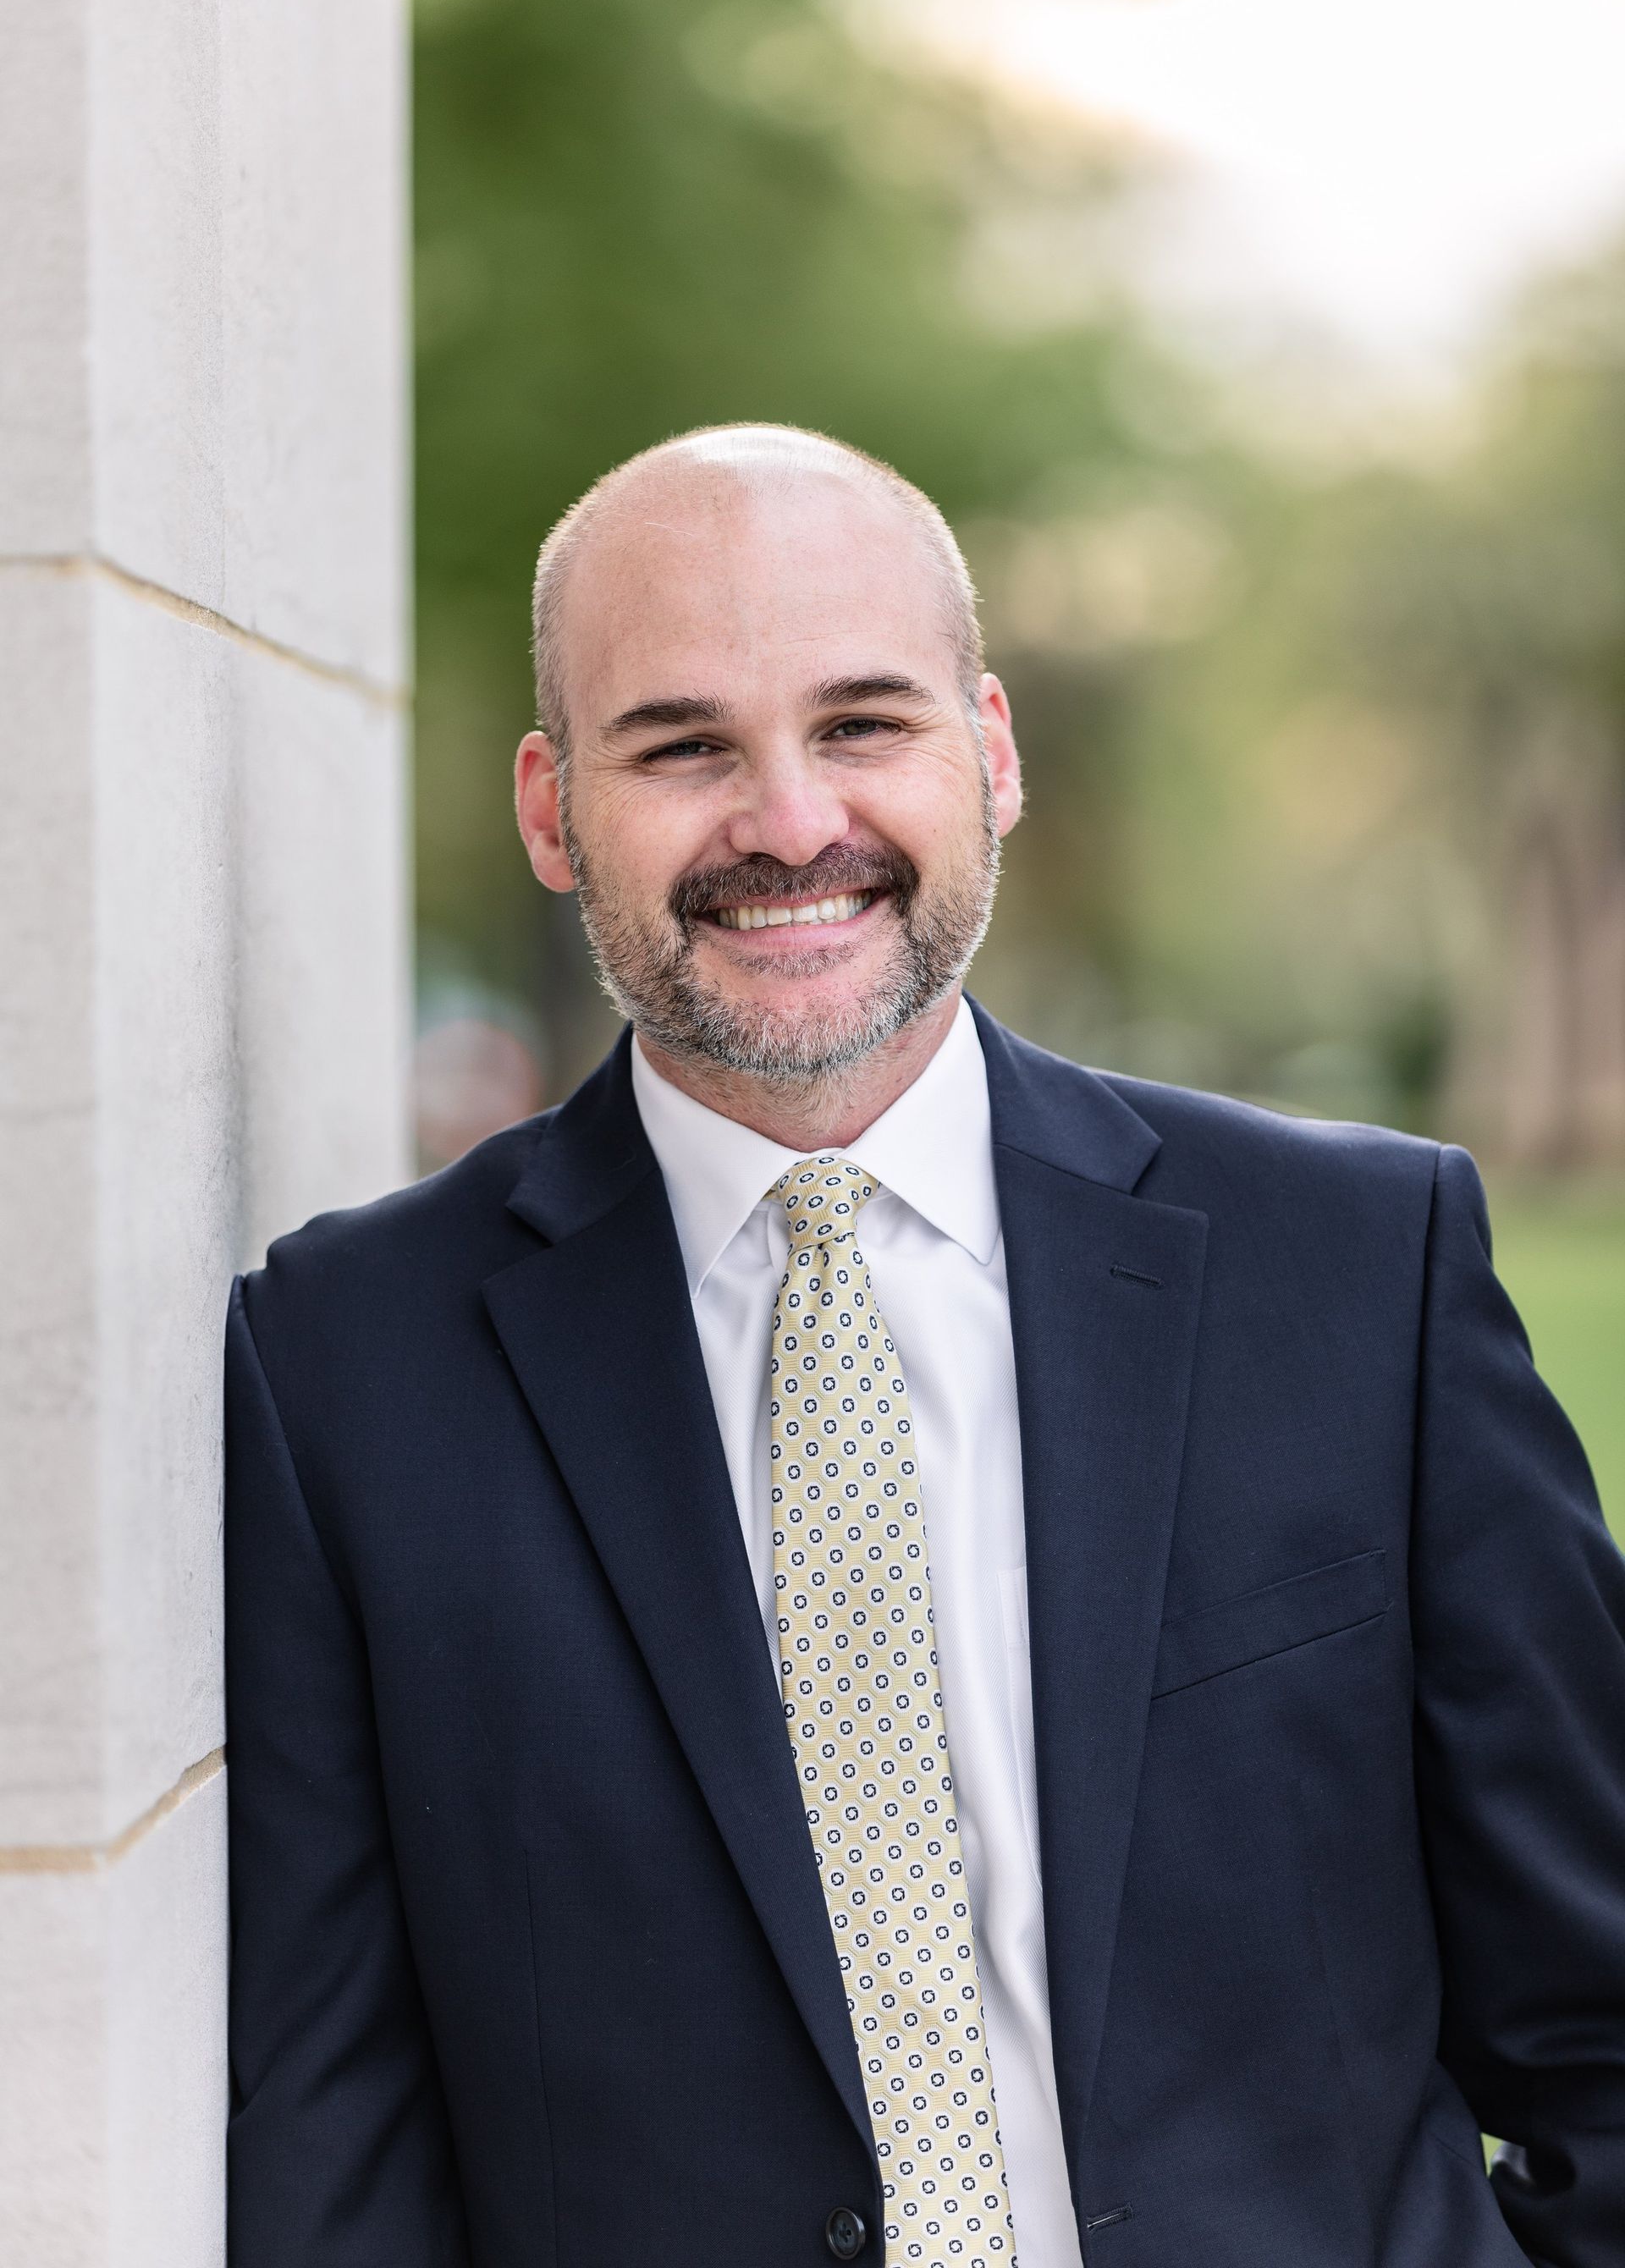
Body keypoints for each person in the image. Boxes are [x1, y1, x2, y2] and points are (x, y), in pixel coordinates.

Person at [224, 424, 1625, 2268]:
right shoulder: (343, 1370)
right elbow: (331, 2136)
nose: (792, 823)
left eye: (863, 723)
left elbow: (1600, 2010)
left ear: (992, 752)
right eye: (683, 746)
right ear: (553, 812)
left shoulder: (1362, 1270)